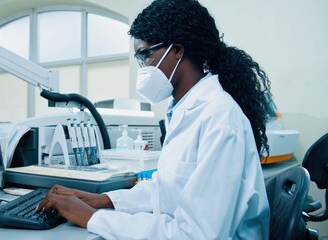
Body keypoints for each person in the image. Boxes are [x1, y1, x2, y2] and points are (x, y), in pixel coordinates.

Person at [36, 0, 272, 238]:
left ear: (177, 50)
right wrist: (103, 200)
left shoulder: (219, 117)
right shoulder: (182, 110)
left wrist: (93, 218)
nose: (143, 68)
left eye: (146, 55)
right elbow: (166, 188)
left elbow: (197, 235)